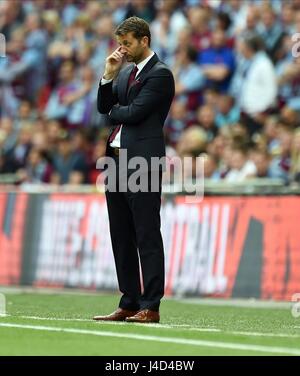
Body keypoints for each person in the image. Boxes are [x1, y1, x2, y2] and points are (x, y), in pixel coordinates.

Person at [93, 17, 175, 323]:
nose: (122, 49)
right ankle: (129, 300)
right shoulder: (126, 72)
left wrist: (116, 111)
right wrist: (107, 76)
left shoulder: (161, 74)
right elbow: (105, 107)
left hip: (142, 161)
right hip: (115, 161)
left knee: (146, 233)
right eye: (120, 43)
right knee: (121, 233)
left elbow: (135, 112)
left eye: (127, 43)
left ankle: (150, 305)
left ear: (144, 40)